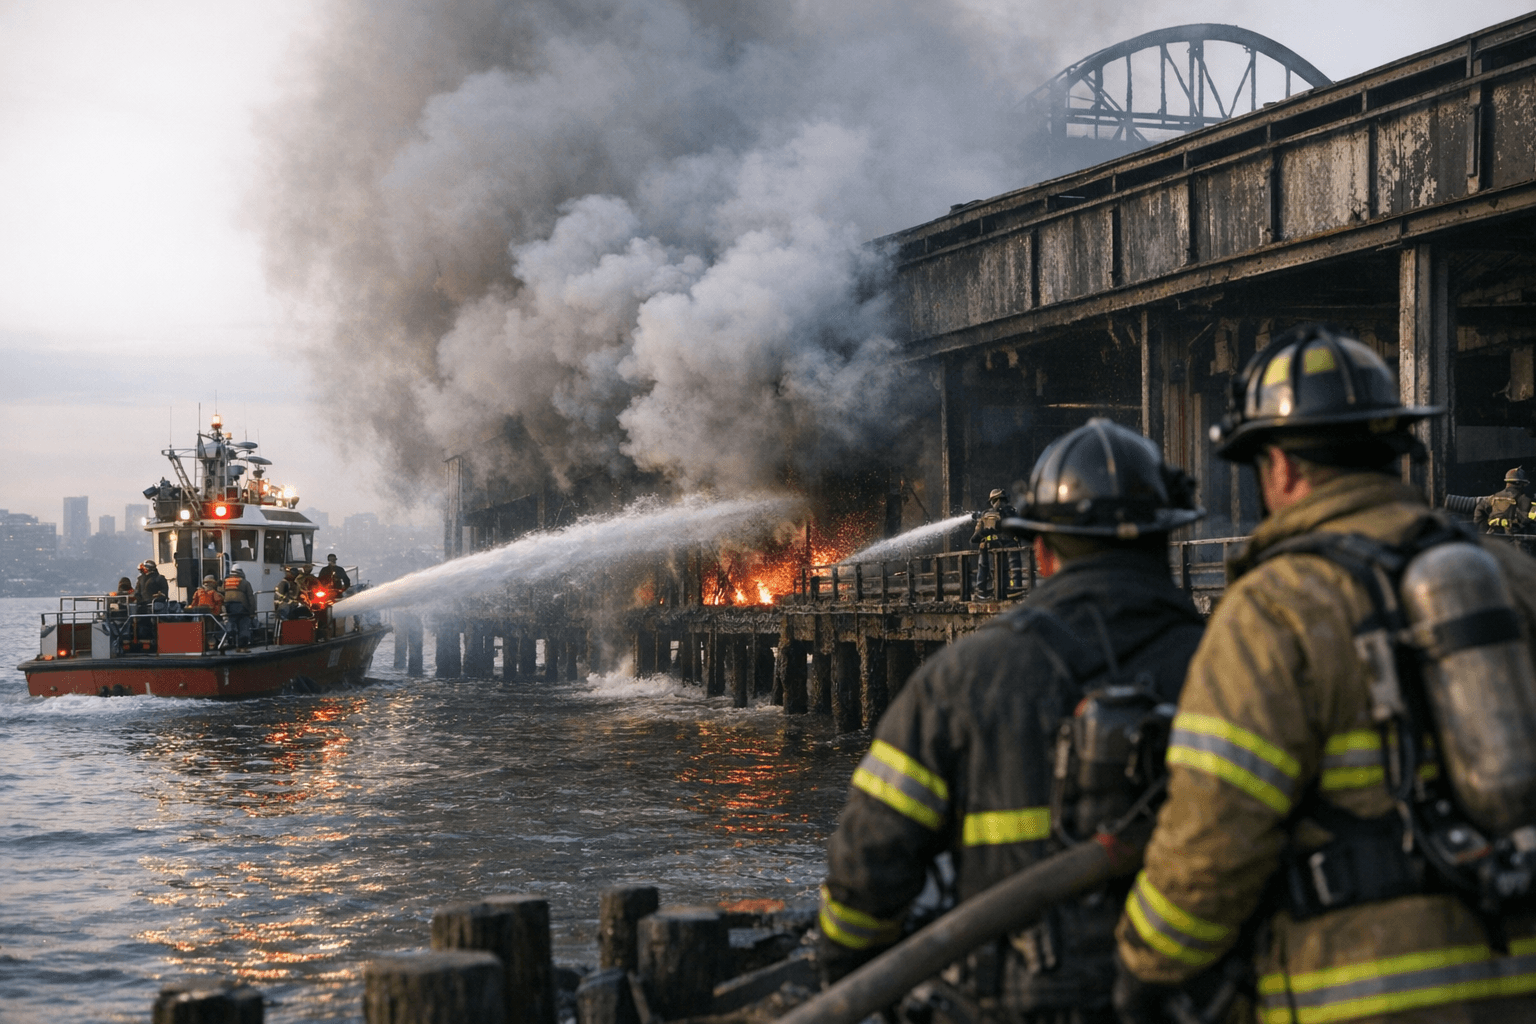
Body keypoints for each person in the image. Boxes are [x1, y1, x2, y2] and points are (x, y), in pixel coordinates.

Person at [1113, 323, 1536, 1024]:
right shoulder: (1516, 577)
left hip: (1359, 995)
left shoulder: (1271, 610)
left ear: (1277, 466)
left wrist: (1145, 965)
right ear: (1391, 449)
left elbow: (1212, 841)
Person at [820, 418, 1206, 1024]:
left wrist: (848, 976)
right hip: (1193, 1001)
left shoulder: (963, 677)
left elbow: (867, 866)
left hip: (1013, 1003)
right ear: (1164, 538)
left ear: (1041, 548)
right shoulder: (1234, 668)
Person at [971, 488, 1023, 599]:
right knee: (1013, 568)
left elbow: (975, 537)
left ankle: (981, 592)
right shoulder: (1013, 512)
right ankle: (1015, 589)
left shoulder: (986, 514)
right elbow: (1021, 531)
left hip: (991, 547)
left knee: (987, 567)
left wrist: (981, 535)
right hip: (1010, 546)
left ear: (992, 501)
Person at [1474, 466, 1536, 539]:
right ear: (1520, 483)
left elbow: (1478, 517)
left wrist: (1483, 532)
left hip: (1494, 543)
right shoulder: (1528, 501)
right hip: (1517, 545)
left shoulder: (1491, 499)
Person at [222, 567, 256, 650]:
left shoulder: (225, 582)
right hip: (242, 608)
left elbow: (221, 593)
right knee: (244, 626)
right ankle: (242, 647)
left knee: (231, 622)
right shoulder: (245, 583)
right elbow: (251, 598)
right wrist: (252, 612)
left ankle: (228, 640)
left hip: (229, 607)